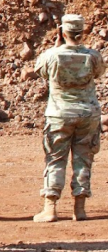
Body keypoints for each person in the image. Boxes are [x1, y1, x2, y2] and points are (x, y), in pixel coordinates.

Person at [24, 14, 105, 222]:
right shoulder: (93, 56)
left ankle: (50, 208)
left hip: (59, 114)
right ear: (82, 32)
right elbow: (98, 73)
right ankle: (79, 208)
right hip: (87, 114)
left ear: (62, 32)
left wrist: (56, 46)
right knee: (83, 159)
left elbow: (40, 71)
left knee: (55, 158)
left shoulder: (51, 56)